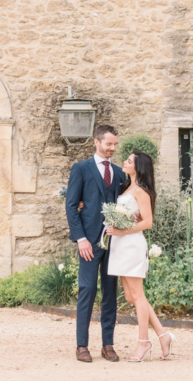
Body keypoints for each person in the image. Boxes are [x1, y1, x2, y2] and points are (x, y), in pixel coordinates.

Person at [106, 151, 178, 361]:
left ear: (139, 168)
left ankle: (143, 342)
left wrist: (120, 230)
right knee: (130, 296)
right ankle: (163, 335)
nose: (125, 162)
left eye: (129, 161)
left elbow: (148, 222)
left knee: (137, 295)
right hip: (120, 245)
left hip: (131, 245)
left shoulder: (142, 191)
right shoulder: (126, 187)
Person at [65, 124, 126, 362]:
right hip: (89, 242)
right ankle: (82, 345)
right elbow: (71, 205)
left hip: (114, 242)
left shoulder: (120, 173)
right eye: (108, 144)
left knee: (110, 292)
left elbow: (125, 204)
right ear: (96, 142)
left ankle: (108, 344)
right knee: (87, 290)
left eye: (115, 144)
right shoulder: (81, 169)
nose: (112, 148)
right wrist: (81, 239)